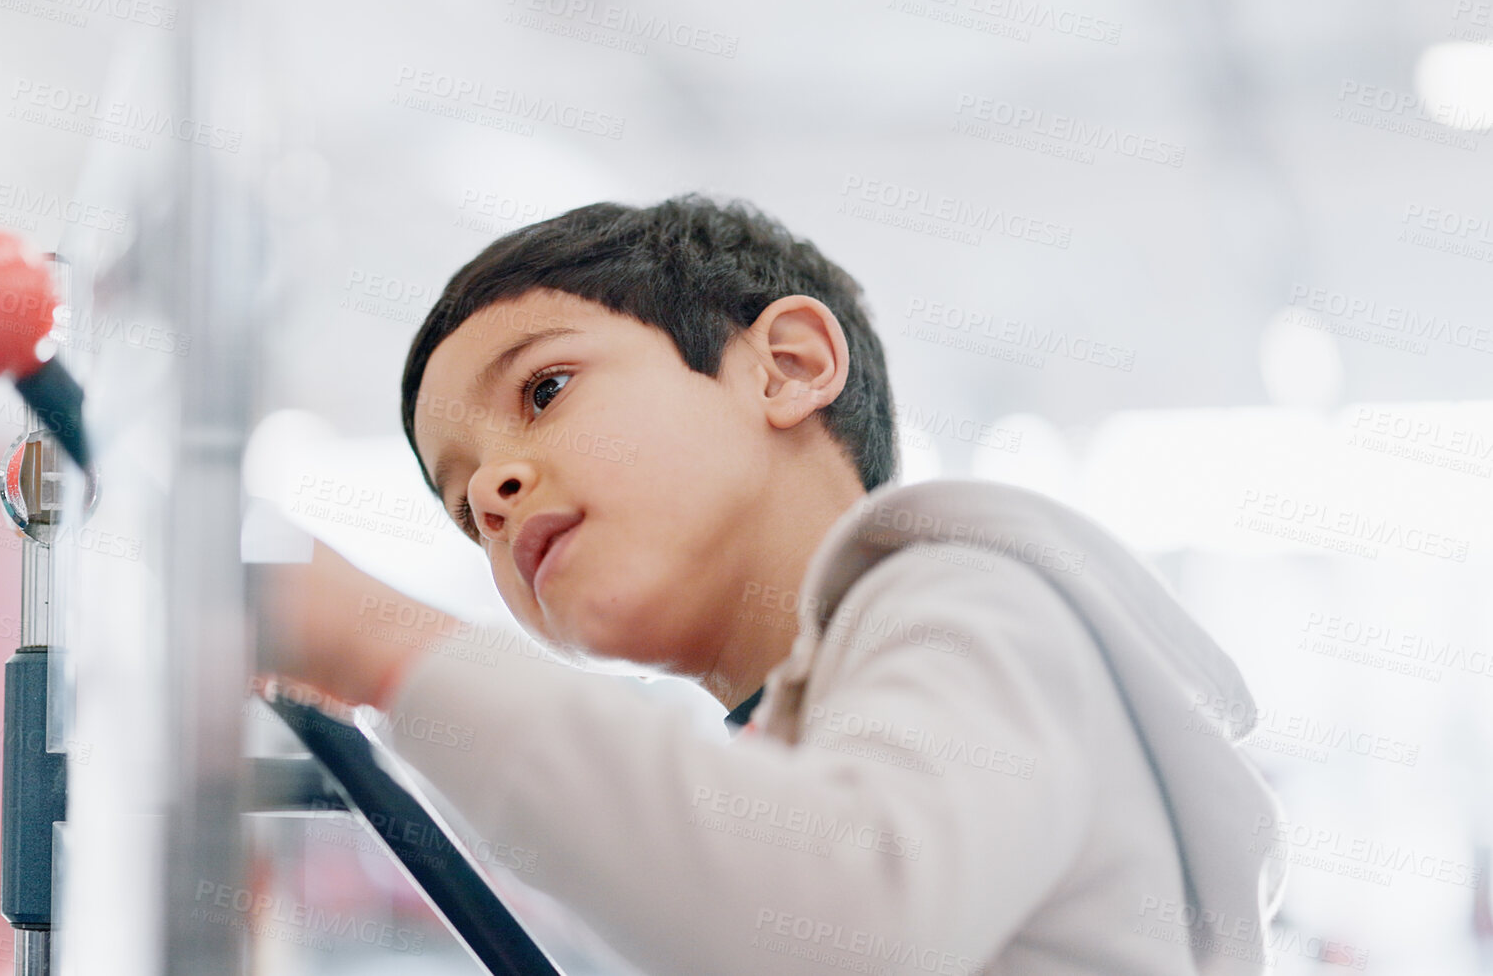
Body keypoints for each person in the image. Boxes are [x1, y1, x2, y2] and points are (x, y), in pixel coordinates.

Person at [260, 194, 1286, 975]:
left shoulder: (974, 600)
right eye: (459, 503)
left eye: (547, 388)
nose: (491, 490)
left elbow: (850, 918)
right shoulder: (795, 759)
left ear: (786, 366)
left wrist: (381, 640)